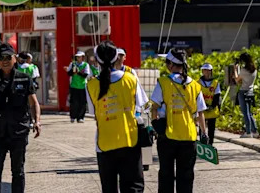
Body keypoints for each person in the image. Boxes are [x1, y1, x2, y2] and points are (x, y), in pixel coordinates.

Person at [0, 43, 41, 193]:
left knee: (18, 170)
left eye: (8, 57)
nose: (5, 61)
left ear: (15, 58)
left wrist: (37, 121)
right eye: (1, 58)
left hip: (18, 132)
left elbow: (33, 103)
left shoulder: (25, 79)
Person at [87, 41, 147, 193]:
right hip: (130, 140)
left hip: (104, 144)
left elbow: (94, 114)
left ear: (97, 60)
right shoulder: (131, 79)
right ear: (117, 58)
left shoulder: (91, 85)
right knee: (133, 187)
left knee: (109, 188)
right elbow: (141, 105)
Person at [150, 50, 207, 193]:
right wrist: (204, 133)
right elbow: (200, 113)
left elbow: (154, 107)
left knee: (166, 175)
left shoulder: (163, 82)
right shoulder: (195, 85)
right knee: (186, 176)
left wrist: (155, 123)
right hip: (189, 136)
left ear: (170, 65)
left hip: (167, 135)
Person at [234, 52, 258, 138]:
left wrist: (235, 69)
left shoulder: (244, 70)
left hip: (243, 92)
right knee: (249, 113)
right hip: (250, 92)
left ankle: (248, 132)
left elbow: (237, 80)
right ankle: (254, 131)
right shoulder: (254, 69)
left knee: (245, 113)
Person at [198, 63, 220, 146]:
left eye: (208, 70)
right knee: (201, 128)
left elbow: (217, 95)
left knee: (211, 129)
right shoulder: (198, 82)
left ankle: (210, 144)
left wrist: (212, 106)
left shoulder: (215, 83)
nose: (206, 72)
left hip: (212, 110)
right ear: (202, 71)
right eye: (205, 70)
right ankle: (202, 144)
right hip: (202, 110)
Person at [67, 50, 91, 122]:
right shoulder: (72, 64)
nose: (78, 58)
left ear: (83, 58)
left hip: (82, 86)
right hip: (74, 86)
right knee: (73, 102)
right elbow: (68, 73)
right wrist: (73, 71)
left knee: (82, 102)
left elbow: (85, 75)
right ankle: (73, 117)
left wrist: (78, 72)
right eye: (77, 57)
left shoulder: (86, 65)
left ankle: (80, 117)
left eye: (79, 57)